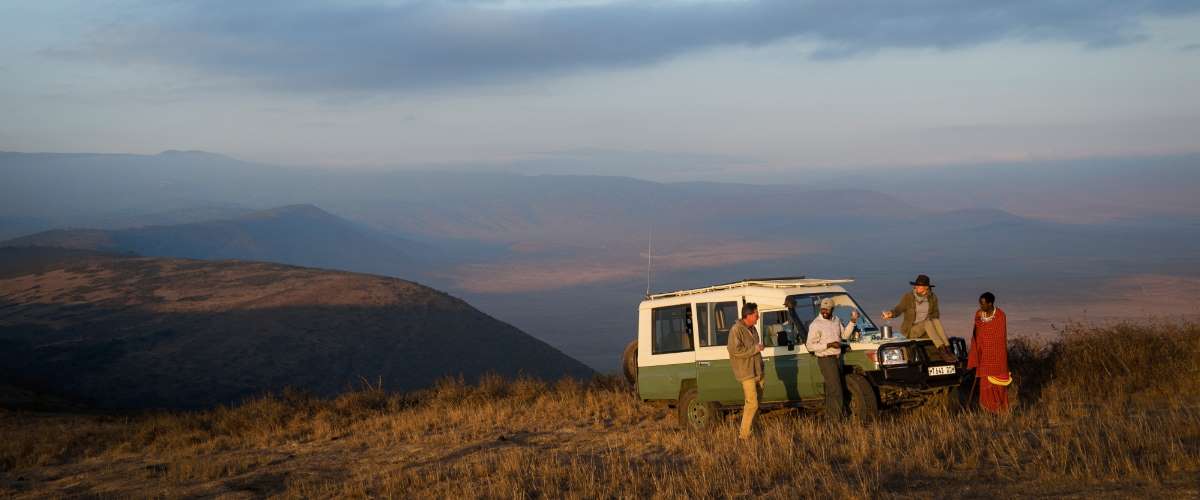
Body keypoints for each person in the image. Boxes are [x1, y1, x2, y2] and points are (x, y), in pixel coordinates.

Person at [881, 274, 956, 362]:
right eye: (916, 285)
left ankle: (948, 349)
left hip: (927, 328)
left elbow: (936, 313)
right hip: (912, 330)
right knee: (927, 322)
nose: (917, 287)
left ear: (926, 287)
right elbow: (899, 309)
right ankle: (942, 351)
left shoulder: (932, 297)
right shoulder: (908, 297)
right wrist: (890, 314)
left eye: (920, 286)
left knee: (936, 320)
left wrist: (931, 319)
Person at [806, 297, 857, 420]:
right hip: (826, 359)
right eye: (823, 309)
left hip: (837, 358)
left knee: (831, 390)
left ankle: (831, 420)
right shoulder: (815, 324)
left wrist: (852, 321)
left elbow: (844, 335)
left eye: (827, 309)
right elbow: (810, 346)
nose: (824, 311)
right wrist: (829, 345)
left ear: (832, 309)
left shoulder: (836, 320)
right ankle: (837, 419)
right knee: (836, 390)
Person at [968, 292, 1010, 413]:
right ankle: (989, 410)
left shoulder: (1000, 315)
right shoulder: (978, 314)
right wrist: (977, 349)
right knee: (984, 384)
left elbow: (999, 337)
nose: (981, 306)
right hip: (983, 355)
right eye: (980, 303)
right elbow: (977, 333)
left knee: (999, 386)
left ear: (990, 303)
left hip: (997, 356)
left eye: (983, 303)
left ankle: (1000, 409)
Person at [728, 302, 764, 439]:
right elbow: (735, 350)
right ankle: (744, 435)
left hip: (758, 371)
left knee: (756, 404)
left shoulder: (753, 329)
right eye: (756, 314)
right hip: (746, 373)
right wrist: (755, 349)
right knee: (752, 403)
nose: (758, 317)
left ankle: (754, 429)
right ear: (748, 315)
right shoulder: (736, 330)